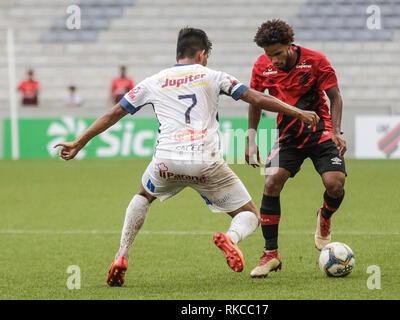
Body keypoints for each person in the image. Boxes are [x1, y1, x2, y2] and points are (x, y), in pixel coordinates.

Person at [54, 27, 320, 286]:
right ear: (202, 54)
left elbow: (112, 115)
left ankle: (121, 254)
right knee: (249, 213)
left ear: (179, 52)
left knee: (143, 195)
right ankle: (231, 238)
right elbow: (257, 98)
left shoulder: (153, 81)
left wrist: (79, 143)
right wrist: (298, 113)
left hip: (166, 162)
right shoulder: (213, 76)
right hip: (205, 163)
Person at [245, 19, 347, 278]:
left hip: (320, 131)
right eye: (269, 55)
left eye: (278, 54)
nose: (274, 60)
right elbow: (255, 102)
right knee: (271, 182)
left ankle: (324, 216)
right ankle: (271, 254)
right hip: (289, 136)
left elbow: (335, 96)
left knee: (335, 184)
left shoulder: (315, 60)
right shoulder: (262, 66)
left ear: (290, 45)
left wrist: (335, 131)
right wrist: (251, 137)